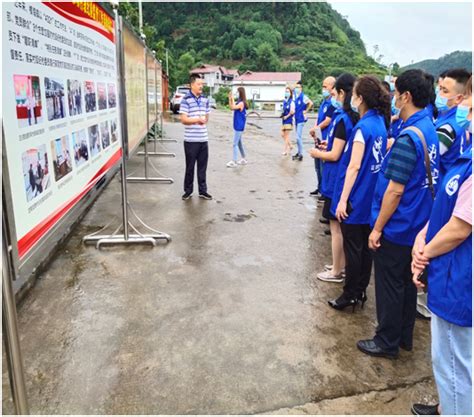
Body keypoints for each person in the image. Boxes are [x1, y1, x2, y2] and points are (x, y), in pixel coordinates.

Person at [357, 69, 440, 359]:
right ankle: (404, 337)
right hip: (417, 223)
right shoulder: (428, 128)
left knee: (390, 284)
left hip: (399, 224)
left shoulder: (408, 137)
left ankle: (386, 341)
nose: (393, 98)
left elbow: (394, 191)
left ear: (405, 96)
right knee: (406, 284)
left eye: (395, 93)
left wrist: (377, 228)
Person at [411, 75, 472, 417]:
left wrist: (423, 252)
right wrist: (425, 235)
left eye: (471, 106)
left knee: (453, 366)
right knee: (450, 362)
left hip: (459, 281)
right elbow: (446, 211)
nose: (463, 110)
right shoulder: (466, 157)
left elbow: (460, 228)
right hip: (449, 274)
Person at [329, 75, 390, 310]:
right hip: (370, 198)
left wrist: (343, 200)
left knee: (353, 250)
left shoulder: (362, 128)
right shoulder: (379, 124)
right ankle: (360, 290)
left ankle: (350, 294)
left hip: (356, 198)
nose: (351, 98)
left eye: (354, 94)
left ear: (360, 98)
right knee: (364, 250)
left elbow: (354, 166)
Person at [309, 73, 358, 282]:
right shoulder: (350, 118)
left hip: (336, 180)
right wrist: (324, 146)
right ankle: (340, 263)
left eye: (335, 92)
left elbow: (335, 154)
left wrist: (317, 153)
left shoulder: (343, 120)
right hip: (339, 178)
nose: (332, 96)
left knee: (336, 228)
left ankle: (336, 271)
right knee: (339, 228)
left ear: (342, 93)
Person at [179, 74, 212, 200]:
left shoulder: (205, 99)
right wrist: (197, 120)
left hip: (203, 139)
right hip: (191, 140)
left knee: (202, 167)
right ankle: (188, 191)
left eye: (202, 84)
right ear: (192, 85)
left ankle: (203, 191)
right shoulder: (186, 99)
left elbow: (207, 116)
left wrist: (203, 120)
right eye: (199, 84)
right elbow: (183, 119)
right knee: (190, 167)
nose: (201, 86)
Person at [434, 68, 471, 179]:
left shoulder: (447, 128)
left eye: (445, 91)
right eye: (440, 89)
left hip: (441, 182)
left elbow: (428, 158)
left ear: (458, 98)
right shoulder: (458, 120)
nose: (439, 94)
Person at [309, 76, 336, 196]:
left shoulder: (333, 104)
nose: (323, 89)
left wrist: (317, 128)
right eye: (323, 86)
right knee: (317, 166)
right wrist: (315, 129)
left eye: (325, 86)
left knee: (323, 166)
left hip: (325, 138)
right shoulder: (324, 102)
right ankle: (319, 187)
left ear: (332, 87)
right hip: (318, 137)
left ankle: (324, 191)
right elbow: (319, 118)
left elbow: (327, 121)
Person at [226, 87, 248, 167]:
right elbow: (231, 107)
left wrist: (231, 98)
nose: (236, 93)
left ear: (241, 93)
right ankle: (244, 159)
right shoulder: (239, 102)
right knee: (239, 143)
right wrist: (230, 99)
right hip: (238, 125)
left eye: (237, 92)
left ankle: (234, 161)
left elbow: (233, 107)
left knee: (234, 144)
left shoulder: (242, 103)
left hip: (239, 126)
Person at [292, 80, 313, 161]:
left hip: (301, 119)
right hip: (296, 119)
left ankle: (301, 154)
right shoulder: (296, 97)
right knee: (297, 137)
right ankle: (299, 152)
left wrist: (306, 111)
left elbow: (311, 103)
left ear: (301, 88)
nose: (296, 89)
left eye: (298, 87)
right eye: (296, 87)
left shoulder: (303, 97)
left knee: (298, 137)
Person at [280, 86, 295, 156]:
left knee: (286, 135)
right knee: (282, 135)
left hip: (289, 120)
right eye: (286, 91)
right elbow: (283, 110)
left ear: (291, 93)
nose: (286, 93)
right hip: (284, 120)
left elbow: (292, 111)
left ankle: (285, 150)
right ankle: (291, 145)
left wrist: (287, 116)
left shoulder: (292, 102)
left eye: (288, 92)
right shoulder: (284, 101)